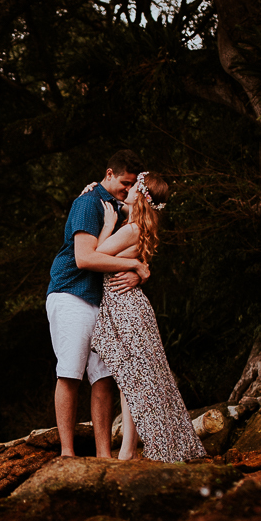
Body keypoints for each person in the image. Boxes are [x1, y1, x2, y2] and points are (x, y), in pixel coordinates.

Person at [90, 171, 206, 463]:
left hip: (126, 307)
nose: (126, 190)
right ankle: (130, 448)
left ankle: (130, 449)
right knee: (133, 379)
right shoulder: (140, 227)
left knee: (132, 379)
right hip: (127, 305)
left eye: (132, 187)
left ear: (140, 195)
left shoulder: (130, 229)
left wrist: (107, 224)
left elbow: (95, 255)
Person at [46, 150, 150, 457]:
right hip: (71, 293)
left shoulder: (123, 208)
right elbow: (85, 257)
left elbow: (136, 247)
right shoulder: (88, 203)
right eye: (123, 182)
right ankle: (67, 453)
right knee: (70, 372)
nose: (127, 189)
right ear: (108, 173)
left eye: (132, 185)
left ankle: (103, 455)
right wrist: (135, 268)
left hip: (105, 302)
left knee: (103, 378)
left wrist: (140, 271)